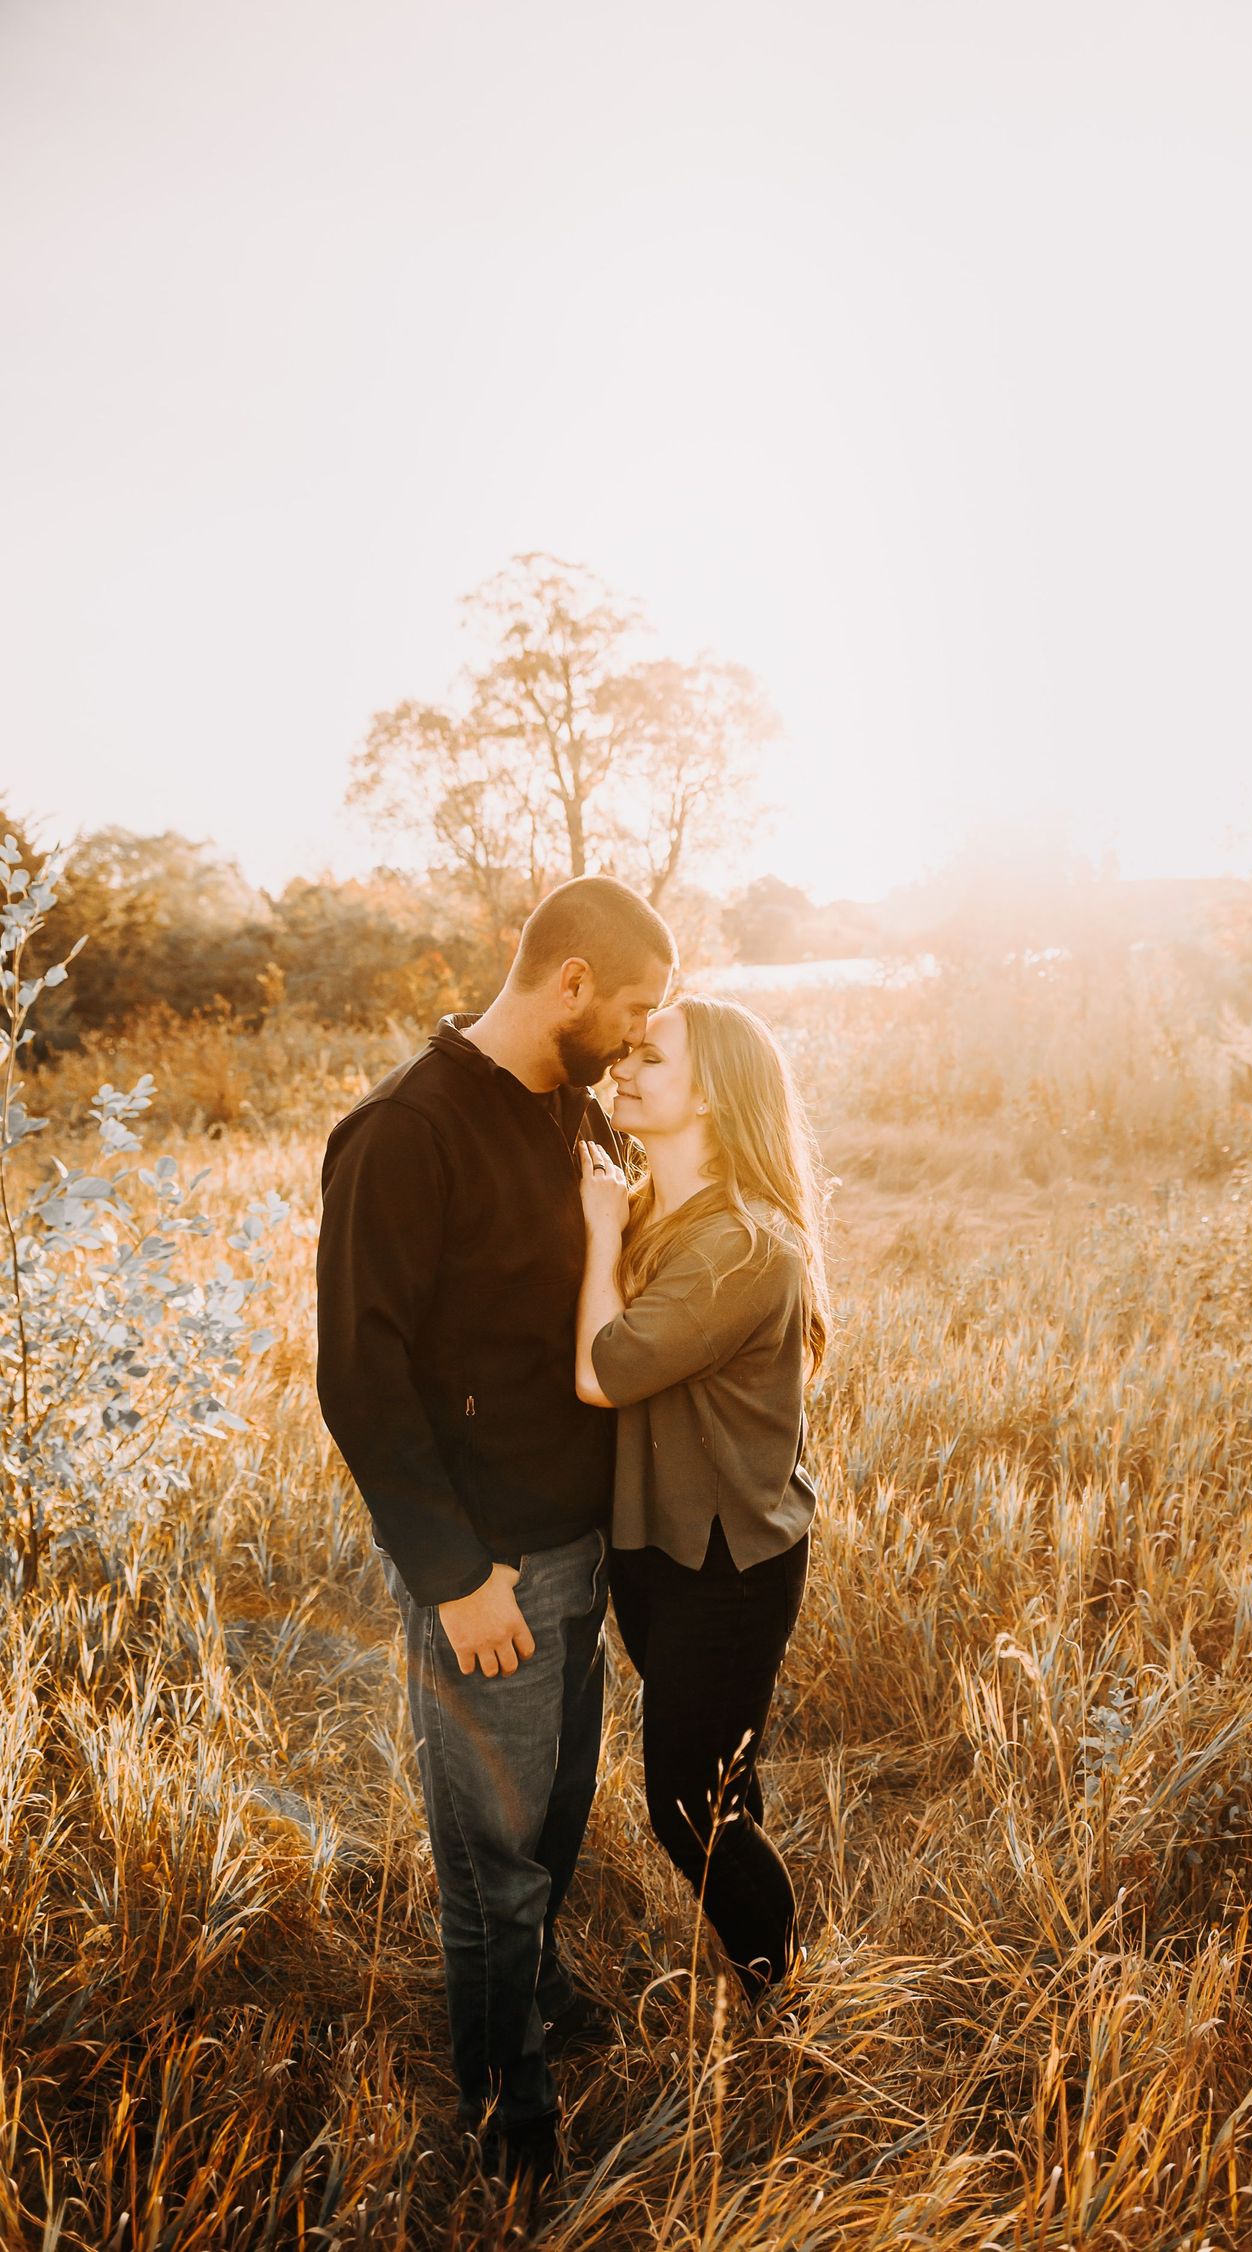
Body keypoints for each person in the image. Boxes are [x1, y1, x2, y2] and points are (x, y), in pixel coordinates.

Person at [315, 875, 675, 2196]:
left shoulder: (570, 1111)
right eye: (631, 1007)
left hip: (583, 1552)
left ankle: (537, 1993)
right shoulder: (404, 1133)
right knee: (491, 1861)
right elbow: (360, 1375)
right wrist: (455, 1577)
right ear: (568, 982)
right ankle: (506, 2110)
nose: (639, 1036)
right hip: (492, 1572)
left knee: (557, 1821)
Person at [573, 994, 829, 2004]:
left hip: (729, 1564)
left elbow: (604, 1369)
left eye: (651, 1057)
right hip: (653, 1542)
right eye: (624, 1053)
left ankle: (784, 1988)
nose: (622, 1070)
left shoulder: (743, 1246)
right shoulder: (649, 1202)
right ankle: (763, 1961)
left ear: (715, 1093)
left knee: (685, 1806)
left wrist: (598, 1231)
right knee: (720, 1773)